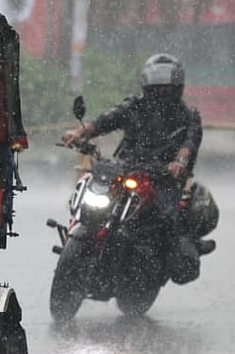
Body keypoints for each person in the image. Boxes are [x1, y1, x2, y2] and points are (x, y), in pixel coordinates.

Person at [60, 53, 218, 283]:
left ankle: (158, 263)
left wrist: (179, 163)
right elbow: (107, 120)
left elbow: (189, 144)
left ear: (177, 86)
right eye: (157, 85)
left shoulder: (188, 116)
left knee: (167, 221)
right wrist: (79, 132)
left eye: (167, 86)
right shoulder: (135, 105)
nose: (161, 91)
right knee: (94, 193)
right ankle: (82, 239)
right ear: (146, 83)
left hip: (164, 179)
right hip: (127, 169)